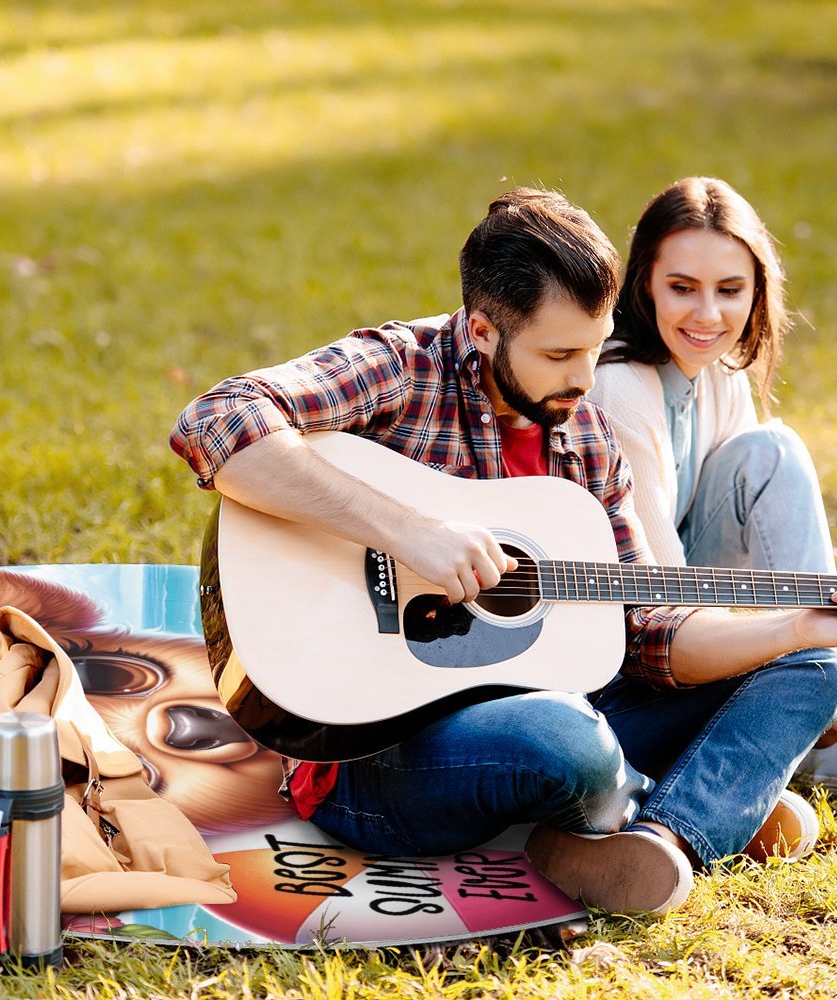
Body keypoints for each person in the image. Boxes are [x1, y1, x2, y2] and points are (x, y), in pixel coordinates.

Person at [170, 188, 837, 916]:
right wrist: (405, 530)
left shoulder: (584, 436)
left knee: (817, 664)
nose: (585, 380)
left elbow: (647, 629)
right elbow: (217, 419)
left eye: (594, 346)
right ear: (483, 331)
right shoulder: (401, 367)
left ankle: (668, 836)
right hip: (374, 756)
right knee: (565, 741)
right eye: (559, 354)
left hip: (564, 710)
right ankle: (696, 796)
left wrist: (793, 628)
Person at [590, 176, 837, 788]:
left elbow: (756, 545)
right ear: (644, 281)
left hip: (697, 614)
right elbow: (661, 602)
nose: (708, 315)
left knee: (768, 451)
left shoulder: (719, 370)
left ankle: (815, 694)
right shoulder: (620, 386)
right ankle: (815, 726)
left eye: (730, 290)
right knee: (774, 451)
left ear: (757, 291)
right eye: (682, 288)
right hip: (632, 648)